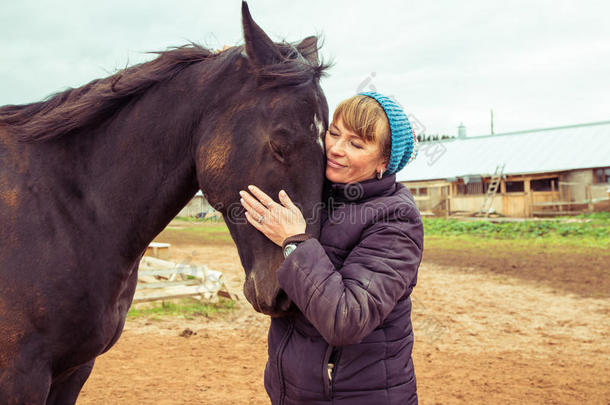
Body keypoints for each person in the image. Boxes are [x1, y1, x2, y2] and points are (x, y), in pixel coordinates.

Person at [240, 92, 423, 404]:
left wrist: (295, 242)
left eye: (356, 143)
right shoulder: (316, 196)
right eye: (334, 133)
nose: (336, 149)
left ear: (384, 162)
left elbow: (347, 319)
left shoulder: (397, 219)